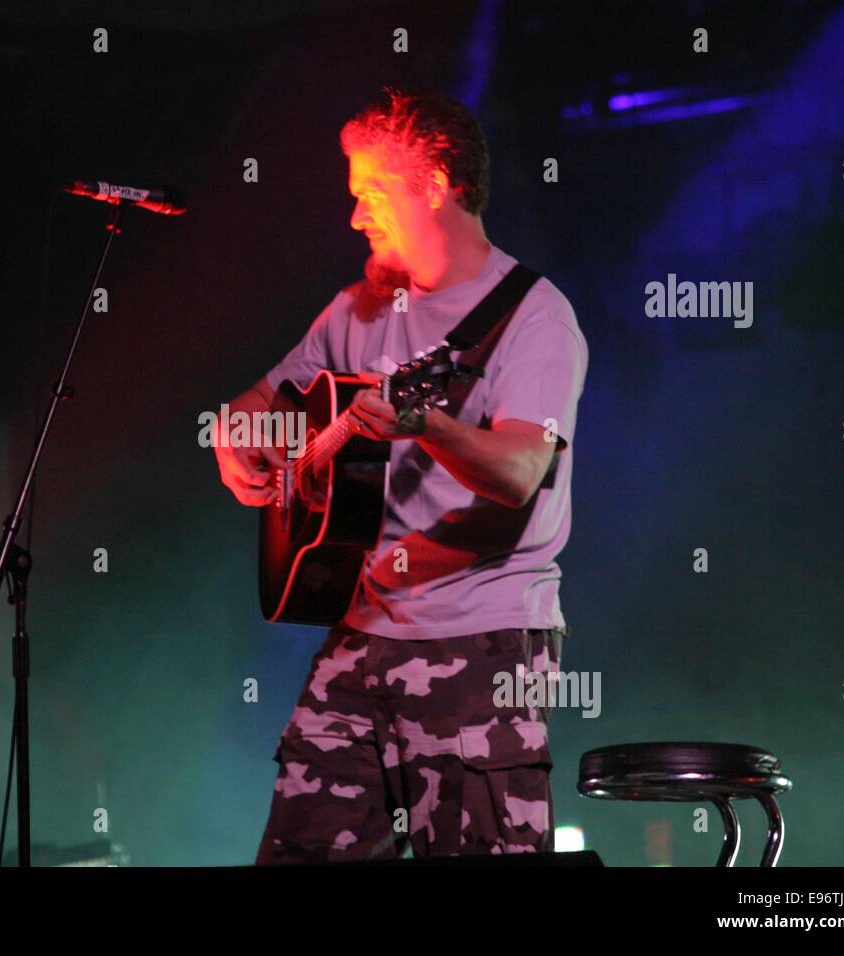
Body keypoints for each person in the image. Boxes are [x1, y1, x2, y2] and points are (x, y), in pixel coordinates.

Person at [214, 87, 588, 863]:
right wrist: (232, 434)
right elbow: (262, 401)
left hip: (481, 644)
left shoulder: (535, 318)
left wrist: (432, 424)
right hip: (360, 633)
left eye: (370, 194)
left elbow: (520, 472)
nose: (355, 218)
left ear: (434, 184)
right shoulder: (357, 308)